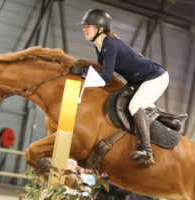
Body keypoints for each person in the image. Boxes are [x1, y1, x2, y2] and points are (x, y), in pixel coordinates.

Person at [72, 9, 169, 166]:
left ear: (100, 29)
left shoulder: (109, 45)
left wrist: (83, 72)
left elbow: (106, 78)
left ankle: (146, 150)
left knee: (134, 106)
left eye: (88, 26)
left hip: (155, 77)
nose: (84, 28)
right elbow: (103, 70)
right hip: (138, 80)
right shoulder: (100, 46)